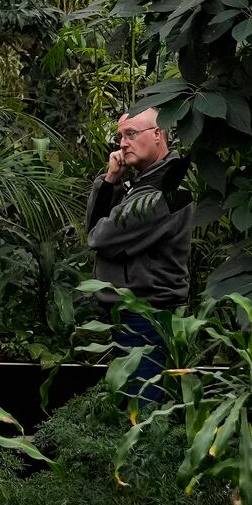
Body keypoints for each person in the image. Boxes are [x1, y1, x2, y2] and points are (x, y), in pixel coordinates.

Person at [86, 107, 193, 397]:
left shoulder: (167, 190)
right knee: (130, 404)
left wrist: (113, 187)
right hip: (132, 314)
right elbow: (96, 229)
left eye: (131, 134)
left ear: (158, 135)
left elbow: (98, 236)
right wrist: (111, 180)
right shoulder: (143, 182)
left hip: (147, 316)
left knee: (141, 409)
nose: (122, 143)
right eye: (120, 136)